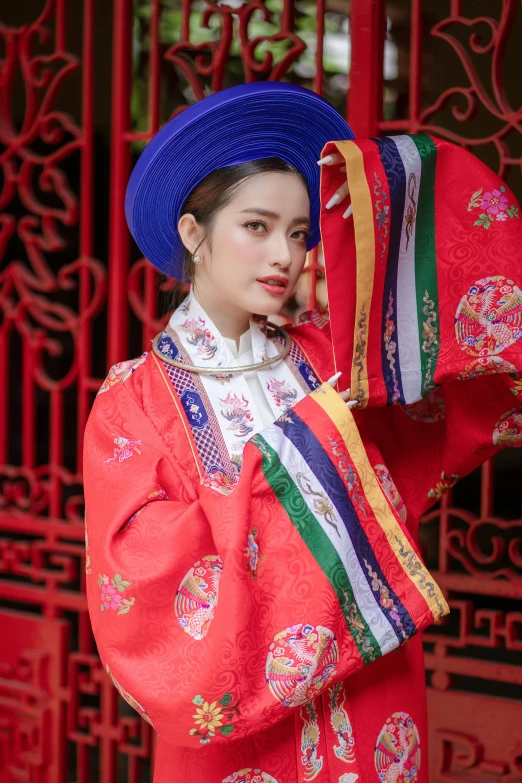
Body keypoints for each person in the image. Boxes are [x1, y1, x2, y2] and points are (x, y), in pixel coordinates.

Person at [83, 82, 522, 783]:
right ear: (194, 234)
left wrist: (386, 204)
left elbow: (460, 360)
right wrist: (300, 465)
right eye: (256, 226)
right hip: (238, 738)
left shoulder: (327, 359)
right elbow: (138, 582)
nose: (283, 255)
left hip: (373, 697)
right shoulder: (133, 402)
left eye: (296, 231)